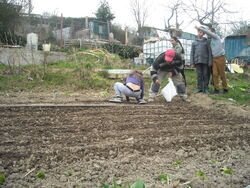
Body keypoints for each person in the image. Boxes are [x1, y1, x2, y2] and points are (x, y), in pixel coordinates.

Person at [195, 26, 228, 95]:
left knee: (222, 74)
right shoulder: (210, 40)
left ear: (213, 32)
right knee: (215, 74)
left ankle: (225, 88)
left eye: (209, 32)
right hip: (214, 58)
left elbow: (207, 32)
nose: (208, 34)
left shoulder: (216, 37)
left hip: (220, 57)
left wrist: (200, 28)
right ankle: (216, 89)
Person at [190, 28, 212, 94]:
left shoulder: (207, 42)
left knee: (206, 75)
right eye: (199, 32)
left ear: (203, 34)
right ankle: (199, 88)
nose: (199, 33)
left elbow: (209, 52)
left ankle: (206, 88)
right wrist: (192, 62)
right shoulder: (194, 43)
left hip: (205, 61)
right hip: (197, 61)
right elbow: (192, 53)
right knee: (199, 75)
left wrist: (210, 61)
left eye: (201, 32)